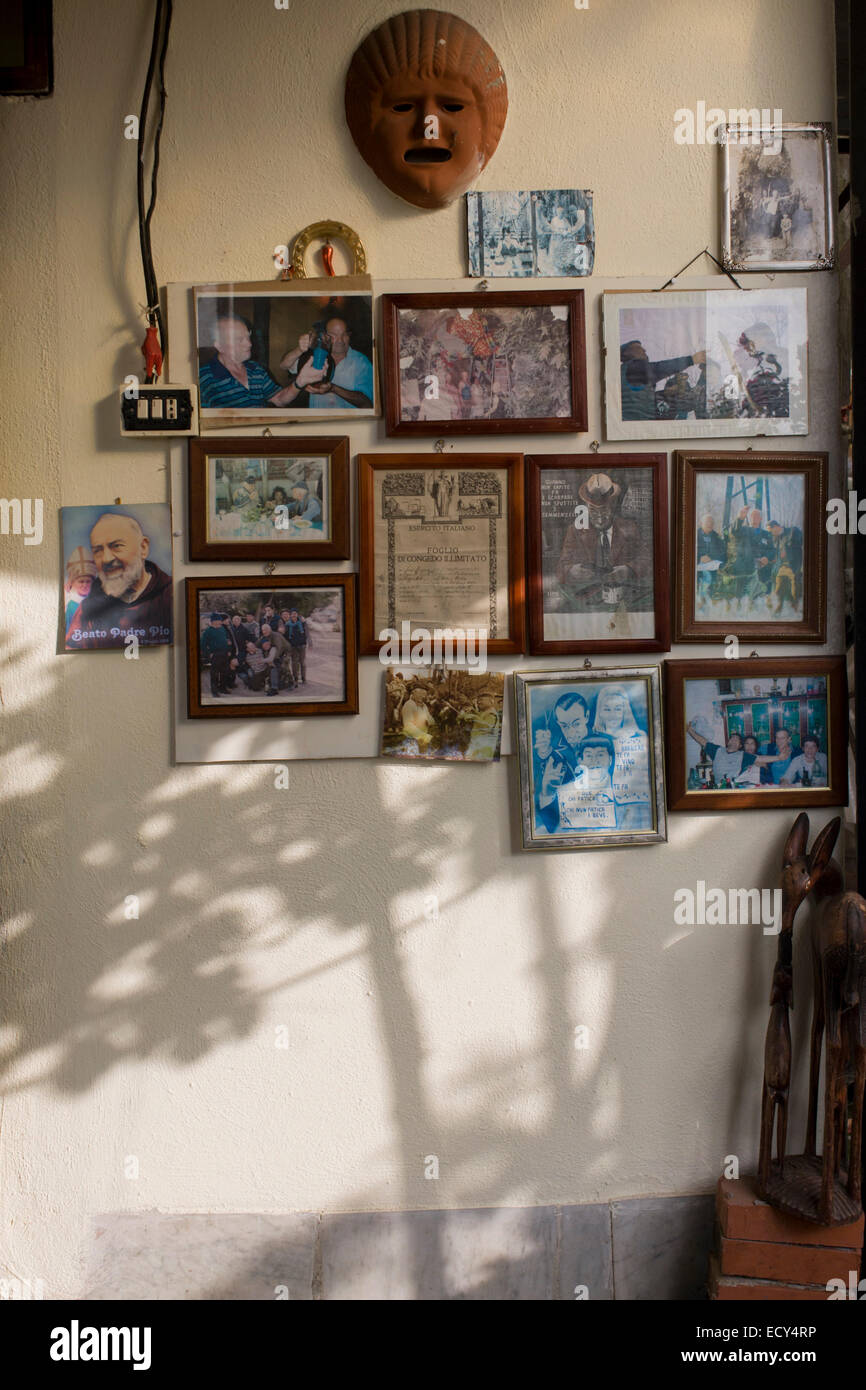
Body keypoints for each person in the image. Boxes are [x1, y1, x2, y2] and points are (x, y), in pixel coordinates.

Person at [69, 512, 172, 648]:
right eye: (98, 550)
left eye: (116, 546)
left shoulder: (170, 595)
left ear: (143, 547)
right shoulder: (88, 608)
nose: (106, 559)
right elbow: (73, 648)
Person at [556, 473, 650, 610]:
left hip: (624, 602)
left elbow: (647, 559)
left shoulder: (630, 528)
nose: (599, 519)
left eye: (604, 511)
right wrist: (571, 571)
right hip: (586, 604)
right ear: (586, 507)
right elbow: (561, 567)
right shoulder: (575, 531)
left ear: (613, 506)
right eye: (593, 512)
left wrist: (629, 569)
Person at [198, 313, 322, 409]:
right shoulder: (203, 379)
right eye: (240, 339)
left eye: (248, 336)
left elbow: (278, 399)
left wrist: (300, 381)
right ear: (219, 346)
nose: (249, 344)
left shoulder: (255, 369)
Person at [281, 315, 373, 410]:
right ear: (324, 336)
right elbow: (284, 365)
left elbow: (368, 404)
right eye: (334, 335)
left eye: (344, 334)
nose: (340, 340)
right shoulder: (317, 356)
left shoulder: (361, 362)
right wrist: (299, 350)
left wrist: (333, 388)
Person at [593, 685, 651, 827]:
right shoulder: (593, 740)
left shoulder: (639, 737)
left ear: (625, 711)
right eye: (607, 709)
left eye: (618, 709)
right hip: (602, 804)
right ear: (600, 712)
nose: (613, 714)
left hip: (634, 805)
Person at [620, 339, 706, 422]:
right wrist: (691, 360)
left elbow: (637, 398)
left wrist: (664, 393)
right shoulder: (635, 367)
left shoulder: (627, 370)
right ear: (627, 353)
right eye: (638, 348)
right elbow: (660, 368)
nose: (644, 350)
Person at [554, 735, 618, 831]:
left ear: (610, 759)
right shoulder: (564, 792)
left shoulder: (620, 792)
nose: (594, 761)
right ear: (580, 761)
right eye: (588, 755)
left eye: (600, 755)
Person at [695, 513, 726, 606]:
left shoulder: (716, 536)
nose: (710, 524)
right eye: (708, 522)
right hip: (697, 564)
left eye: (712, 523)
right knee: (705, 577)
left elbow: (722, 551)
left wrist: (711, 557)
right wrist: (699, 557)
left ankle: (710, 599)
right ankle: (701, 600)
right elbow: (687, 551)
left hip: (713, 565)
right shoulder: (694, 534)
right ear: (701, 523)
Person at [64, 547, 97, 632]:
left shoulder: (97, 599)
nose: (85, 585)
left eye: (88, 581)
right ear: (73, 582)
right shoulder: (70, 604)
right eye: (81, 581)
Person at [200, 612, 231, 697]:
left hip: (224, 653)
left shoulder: (222, 629)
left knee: (224, 672)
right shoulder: (208, 631)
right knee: (215, 674)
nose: (220, 622)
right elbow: (202, 644)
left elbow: (226, 640)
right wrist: (209, 654)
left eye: (220, 621)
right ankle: (215, 691)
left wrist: (228, 649)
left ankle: (223, 688)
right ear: (214, 621)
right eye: (219, 620)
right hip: (215, 655)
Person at [283, 608, 309, 685]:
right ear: (290, 615)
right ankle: (296, 678)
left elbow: (306, 633)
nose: (294, 615)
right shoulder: (287, 624)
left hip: (302, 645)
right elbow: (286, 635)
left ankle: (304, 678)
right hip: (293, 646)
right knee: (294, 663)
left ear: (297, 614)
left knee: (302, 663)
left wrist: (306, 642)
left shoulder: (302, 622)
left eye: (295, 613)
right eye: (292, 613)